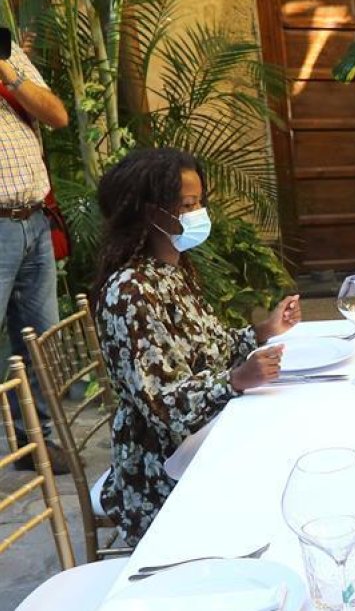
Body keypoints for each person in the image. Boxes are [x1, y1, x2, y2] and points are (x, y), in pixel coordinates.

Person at [92, 148, 301, 545]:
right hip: (161, 466)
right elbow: (161, 406)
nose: (198, 213)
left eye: (200, 202)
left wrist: (262, 331)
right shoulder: (131, 293)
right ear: (151, 213)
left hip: (204, 431)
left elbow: (208, 348)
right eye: (188, 205)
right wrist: (236, 381)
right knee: (279, 479)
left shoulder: (173, 269)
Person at [1, 33, 71, 473]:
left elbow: (57, 115)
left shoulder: (9, 54)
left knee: (39, 338)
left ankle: (36, 439)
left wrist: (10, 75)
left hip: (34, 220)